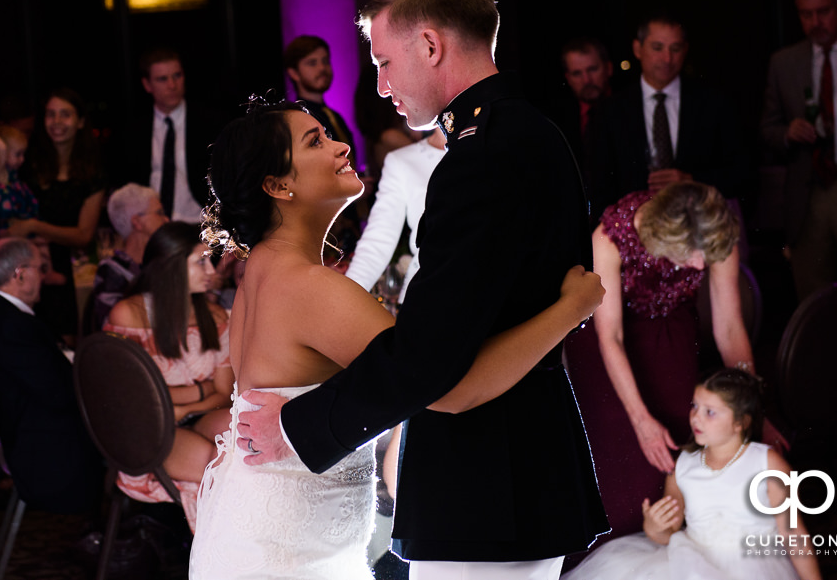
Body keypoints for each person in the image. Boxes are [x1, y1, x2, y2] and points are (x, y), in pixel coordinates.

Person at [189, 96, 608, 579]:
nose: (343, 145)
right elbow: (447, 387)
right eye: (316, 141)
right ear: (278, 185)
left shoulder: (259, 274)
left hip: (256, 528)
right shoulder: (310, 287)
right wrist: (568, 311)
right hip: (294, 554)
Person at [564, 181, 759, 537]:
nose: (701, 264)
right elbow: (612, 338)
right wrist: (641, 422)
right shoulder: (611, 235)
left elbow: (729, 330)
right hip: (607, 339)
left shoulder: (714, 232)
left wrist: (749, 412)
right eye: (692, 255)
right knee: (617, 468)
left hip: (670, 331)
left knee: (675, 447)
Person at [563, 368, 820, 580]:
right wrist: (653, 528)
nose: (696, 418)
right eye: (695, 406)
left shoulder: (767, 463)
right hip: (691, 562)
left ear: (740, 422)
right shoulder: (684, 466)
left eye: (710, 412)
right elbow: (669, 534)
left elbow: (793, 532)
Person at [104, 221, 233, 529]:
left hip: (194, 415)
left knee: (255, 437)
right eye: (200, 261)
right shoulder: (129, 314)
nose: (211, 270)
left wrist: (182, 406)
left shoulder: (214, 315)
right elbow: (133, 398)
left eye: (210, 260)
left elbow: (224, 391)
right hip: (147, 429)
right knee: (219, 463)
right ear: (170, 266)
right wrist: (198, 391)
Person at [0, 237, 100, 514]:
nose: (45, 277)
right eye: (40, 269)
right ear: (20, 274)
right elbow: (59, 394)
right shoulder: (12, 325)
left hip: (31, 427)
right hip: (45, 446)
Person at [760, 0, 837, 300]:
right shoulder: (785, 62)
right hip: (808, 188)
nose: (816, 21)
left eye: (824, 11)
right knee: (814, 296)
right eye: (806, 14)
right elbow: (768, 128)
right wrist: (787, 133)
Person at [591, 16, 746, 219]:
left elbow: (741, 172)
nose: (667, 59)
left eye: (675, 48)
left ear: (686, 50)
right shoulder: (609, 111)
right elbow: (599, 183)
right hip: (632, 230)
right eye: (657, 47)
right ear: (638, 49)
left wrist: (691, 180)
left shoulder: (713, 104)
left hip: (698, 226)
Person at [20, 88, 106, 339]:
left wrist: (33, 226)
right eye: (50, 114)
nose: (56, 122)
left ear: (80, 122)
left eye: (65, 115)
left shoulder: (93, 170)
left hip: (72, 269)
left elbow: (83, 235)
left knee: (66, 340)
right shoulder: (30, 163)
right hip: (32, 262)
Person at [119, 48, 222, 224]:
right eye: (162, 79)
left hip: (200, 224)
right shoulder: (133, 131)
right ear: (147, 85)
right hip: (151, 227)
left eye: (177, 76)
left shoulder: (210, 124)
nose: (172, 85)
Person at [344, 127, 445, 302]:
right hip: (426, 296)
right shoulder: (402, 161)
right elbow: (378, 239)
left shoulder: (497, 146)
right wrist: (344, 301)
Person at [86, 183, 168, 333]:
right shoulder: (113, 270)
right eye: (159, 212)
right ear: (137, 222)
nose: (166, 219)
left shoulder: (164, 262)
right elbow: (113, 329)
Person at [545, 38, 612, 202]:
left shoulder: (630, 109)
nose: (587, 80)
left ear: (608, 68)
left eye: (592, 69)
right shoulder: (557, 119)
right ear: (568, 77)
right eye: (577, 73)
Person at [285, 34, 357, 151]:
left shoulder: (335, 117)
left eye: (325, 61)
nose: (322, 68)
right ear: (294, 73)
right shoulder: (297, 121)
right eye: (312, 63)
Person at [0, 122, 39, 237]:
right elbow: (1, 151)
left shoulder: (12, 175)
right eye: (18, 154)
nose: (22, 159)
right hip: (5, 231)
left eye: (23, 154)